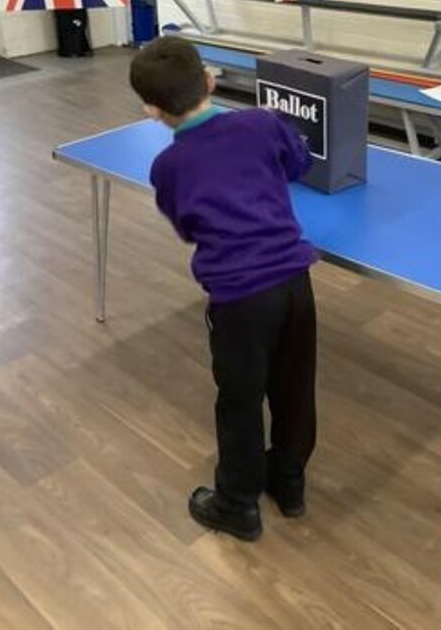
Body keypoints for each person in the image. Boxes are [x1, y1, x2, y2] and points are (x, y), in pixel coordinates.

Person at [128, 36, 319, 542]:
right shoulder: (261, 124)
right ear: (210, 80)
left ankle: (237, 505)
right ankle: (290, 484)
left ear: (152, 111)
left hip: (239, 301)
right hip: (295, 284)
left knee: (240, 400)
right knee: (295, 387)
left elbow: (187, 227)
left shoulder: (167, 168)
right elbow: (299, 163)